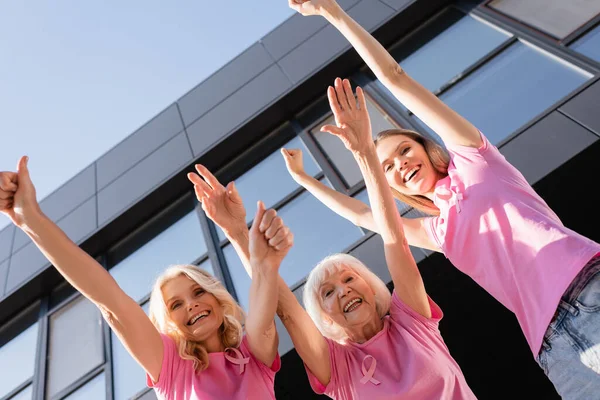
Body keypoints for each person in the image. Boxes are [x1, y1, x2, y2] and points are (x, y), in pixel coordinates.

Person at [285, 1, 600, 397]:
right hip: (553, 346)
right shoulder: (437, 231)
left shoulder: (475, 159)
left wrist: (334, 14)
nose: (399, 164)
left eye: (403, 150)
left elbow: (395, 77)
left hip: (588, 285)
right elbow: (365, 214)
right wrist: (303, 180)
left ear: (424, 146)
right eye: (387, 168)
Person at [187, 82, 476, 399]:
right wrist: (237, 233)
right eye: (328, 292)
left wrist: (366, 152)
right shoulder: (336, 367)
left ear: (370, 285)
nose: (344, 290)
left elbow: (393, 237)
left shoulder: (411, 322)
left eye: (350, 279)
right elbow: (286, 309)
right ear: (323, 315)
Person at [0, 156, 289, 400]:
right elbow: (111, 302)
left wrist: (238, 231)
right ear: (169, 324)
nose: (191, 304)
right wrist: (31, 218)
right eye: (175, 305)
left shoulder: (253, 356)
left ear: (217, 297)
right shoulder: (171, 368)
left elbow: (266, 289)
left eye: (198, 292)